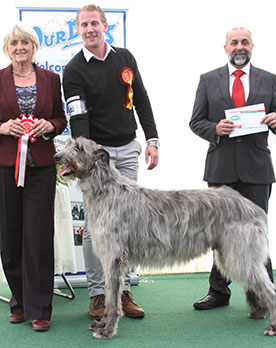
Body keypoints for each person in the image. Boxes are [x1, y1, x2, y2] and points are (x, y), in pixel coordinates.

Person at [63, 4, 159, 320]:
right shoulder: (74, 69)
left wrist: (153, 139)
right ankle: (97, 295)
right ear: (78, 30)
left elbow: (141, 99)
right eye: (84, 25)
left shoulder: (125, 58)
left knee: (126, 225)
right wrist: (86, 159)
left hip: (128, 149)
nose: (90, 29)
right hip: (95, 158)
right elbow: (79, 118)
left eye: (94, 23)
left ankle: (123, 292)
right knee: (95, 228)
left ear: (105, 25)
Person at [189, 27, 276, 310]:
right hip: (221, 170)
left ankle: (262, 294)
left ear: (252, 46)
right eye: (234, 42)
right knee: (219, 234)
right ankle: (218, 292)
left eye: (244, 42)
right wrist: (215, 128)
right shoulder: (208, 80)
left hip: (257, 170)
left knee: (257, 233)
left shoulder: (268, 80)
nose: (239, 47)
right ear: (226, 48)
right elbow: (196, 121)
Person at [0, 24, 67, 331]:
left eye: (25, 41)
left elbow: (61, 117)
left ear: (34, 46)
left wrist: (49, 126)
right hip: (5, 166)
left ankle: (41, 309)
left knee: (38, 236)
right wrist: (1, 128)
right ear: (7, 48)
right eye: (14, 43)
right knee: (10, 237)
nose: (20, 47)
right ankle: (19, 303)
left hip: (40, 165)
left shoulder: (51, 79)